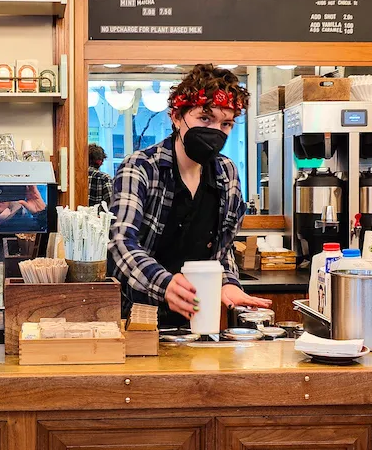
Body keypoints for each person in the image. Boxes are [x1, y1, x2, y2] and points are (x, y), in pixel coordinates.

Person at [108, 63, 271, 325]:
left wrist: (227, 282)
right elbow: (120, 241)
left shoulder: (226, 173)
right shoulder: (140, 167)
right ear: (176, 116)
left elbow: (223, 248)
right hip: (138, 316)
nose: (216, 131)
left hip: (197, 316)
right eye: (205, 119)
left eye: (226, 123)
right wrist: (166, 284)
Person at [87, 143, 112, 207]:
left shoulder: (77, 177)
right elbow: (111, 202)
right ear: (99, 161)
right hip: (98, 216)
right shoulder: (104, 178)